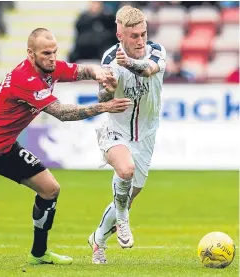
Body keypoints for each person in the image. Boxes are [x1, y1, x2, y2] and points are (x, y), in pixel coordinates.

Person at [0, 28, 132, 266]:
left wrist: (100, 74)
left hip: (6, 148)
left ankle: (38, 253)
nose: (52, 57)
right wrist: (103, 107)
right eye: (46, 53)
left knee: (50, 189)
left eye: (54, 52)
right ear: (31, 54)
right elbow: (62, 113)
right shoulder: (25, 79)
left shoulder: (50, 68)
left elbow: (81, 70)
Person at [87, 5, 166, 264]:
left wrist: (129, 62)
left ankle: (97, 240)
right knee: (126, 171)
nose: (141, 40)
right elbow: (103, 96)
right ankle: (122, 218)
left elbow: (148, 70)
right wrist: (108, 91)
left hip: (146, 134)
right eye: (134, 36)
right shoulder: (109, 58)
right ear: (120, 34)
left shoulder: (157, 51)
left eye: (143, 34)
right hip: (116, 130)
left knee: (131, 192)